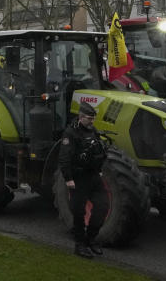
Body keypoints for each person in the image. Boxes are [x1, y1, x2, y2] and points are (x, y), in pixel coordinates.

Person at [58, 100, 109, 258]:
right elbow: (64, 157)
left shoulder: (93, 130)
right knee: (78, 213)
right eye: (89, 118)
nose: (92, 121)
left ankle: (91, 239)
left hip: (93, 175)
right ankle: (80, 245)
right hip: (78, 178)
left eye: (93, 119)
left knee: (103, 206)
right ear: (80, 117)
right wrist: (68, 179)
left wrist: (99, 170)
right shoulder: (70, 133)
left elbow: (98, 151)